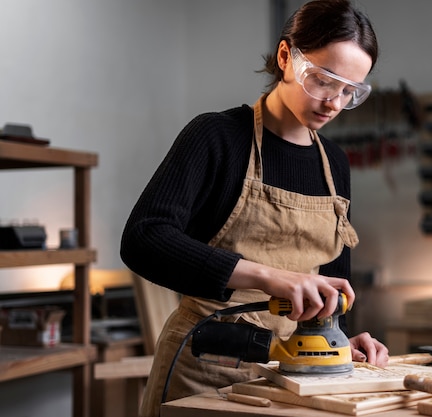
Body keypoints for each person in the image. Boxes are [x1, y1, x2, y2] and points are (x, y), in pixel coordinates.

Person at [120, 0, 388, 415]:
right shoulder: (217, 137)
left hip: (294, 374)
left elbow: (333, 281)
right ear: (286, 58)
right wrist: (268, 277)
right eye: (323, 80)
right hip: (206, 366)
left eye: (349, 91)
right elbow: (143, 238)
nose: (334, 102)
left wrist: (338, 340)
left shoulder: (334, 163)